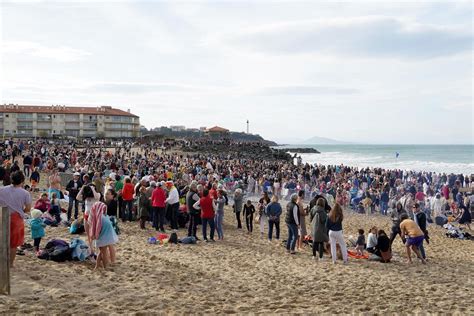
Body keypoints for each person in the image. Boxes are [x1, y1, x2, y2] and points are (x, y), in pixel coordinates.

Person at [0, 171, 32, 268]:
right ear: (22, 180)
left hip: (2, 215)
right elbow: (28, 209)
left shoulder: (2, 190)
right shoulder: (25, 193)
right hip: (16, 218)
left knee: (2, 240)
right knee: (13, 243)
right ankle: (10, 264)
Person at [88, 202, 118, 270]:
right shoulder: (103, 217)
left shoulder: (99, 217)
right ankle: (101, 266)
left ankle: (101, 266)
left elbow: (95, 227)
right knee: (102, 252)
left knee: (103, 252)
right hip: (105, 237)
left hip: (103, 237)